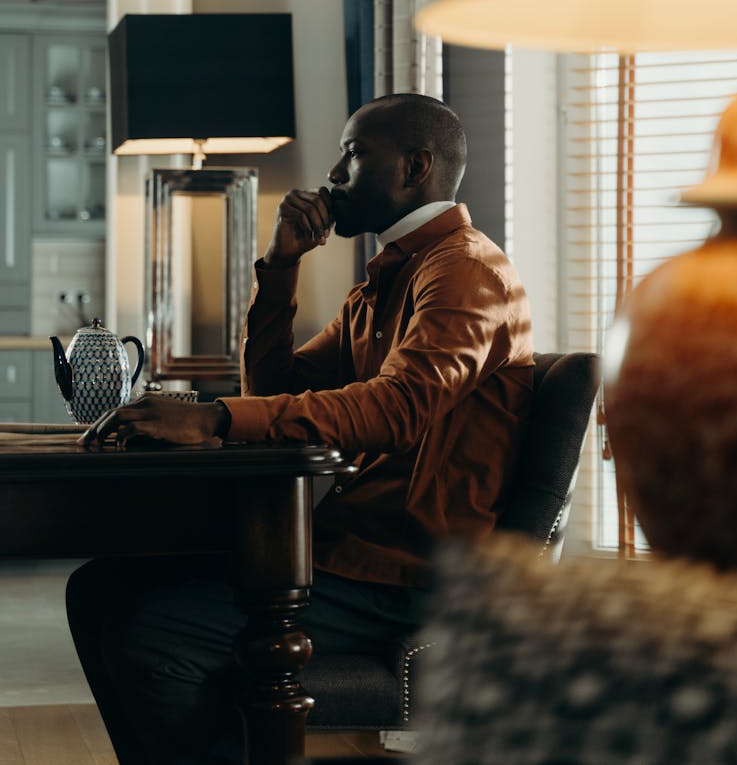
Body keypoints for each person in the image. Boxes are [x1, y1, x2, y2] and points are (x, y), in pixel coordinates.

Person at [66, 92, 534, 764]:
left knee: (148, 635)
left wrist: (214, 417)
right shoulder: (385, 280)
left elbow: (396, 408)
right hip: (351, 554)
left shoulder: (464, 272)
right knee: (98, 587)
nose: (333, 172)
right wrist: (281, 266)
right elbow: (277, 392)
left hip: (406, 578)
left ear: (415, 166)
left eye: (354, 152)